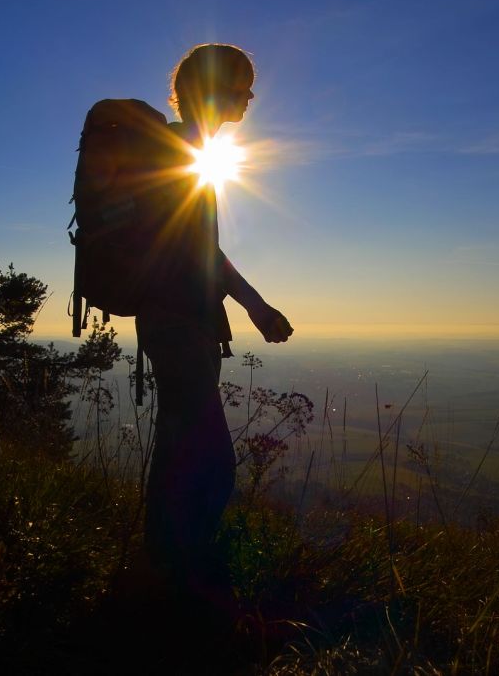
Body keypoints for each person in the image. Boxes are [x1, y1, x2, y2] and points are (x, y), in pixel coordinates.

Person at [137, 43, 293, 603]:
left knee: (180, 449)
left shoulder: (183, 149)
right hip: (179, 324)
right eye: (243, 86)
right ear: (216, 88)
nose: (250, 98)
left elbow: (203, 251)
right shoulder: (179, 151)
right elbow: (206, 254)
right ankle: (188, 585)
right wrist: (255, 304)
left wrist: (247, 305)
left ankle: (159, 574)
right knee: (211, 461)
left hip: (179, 322)